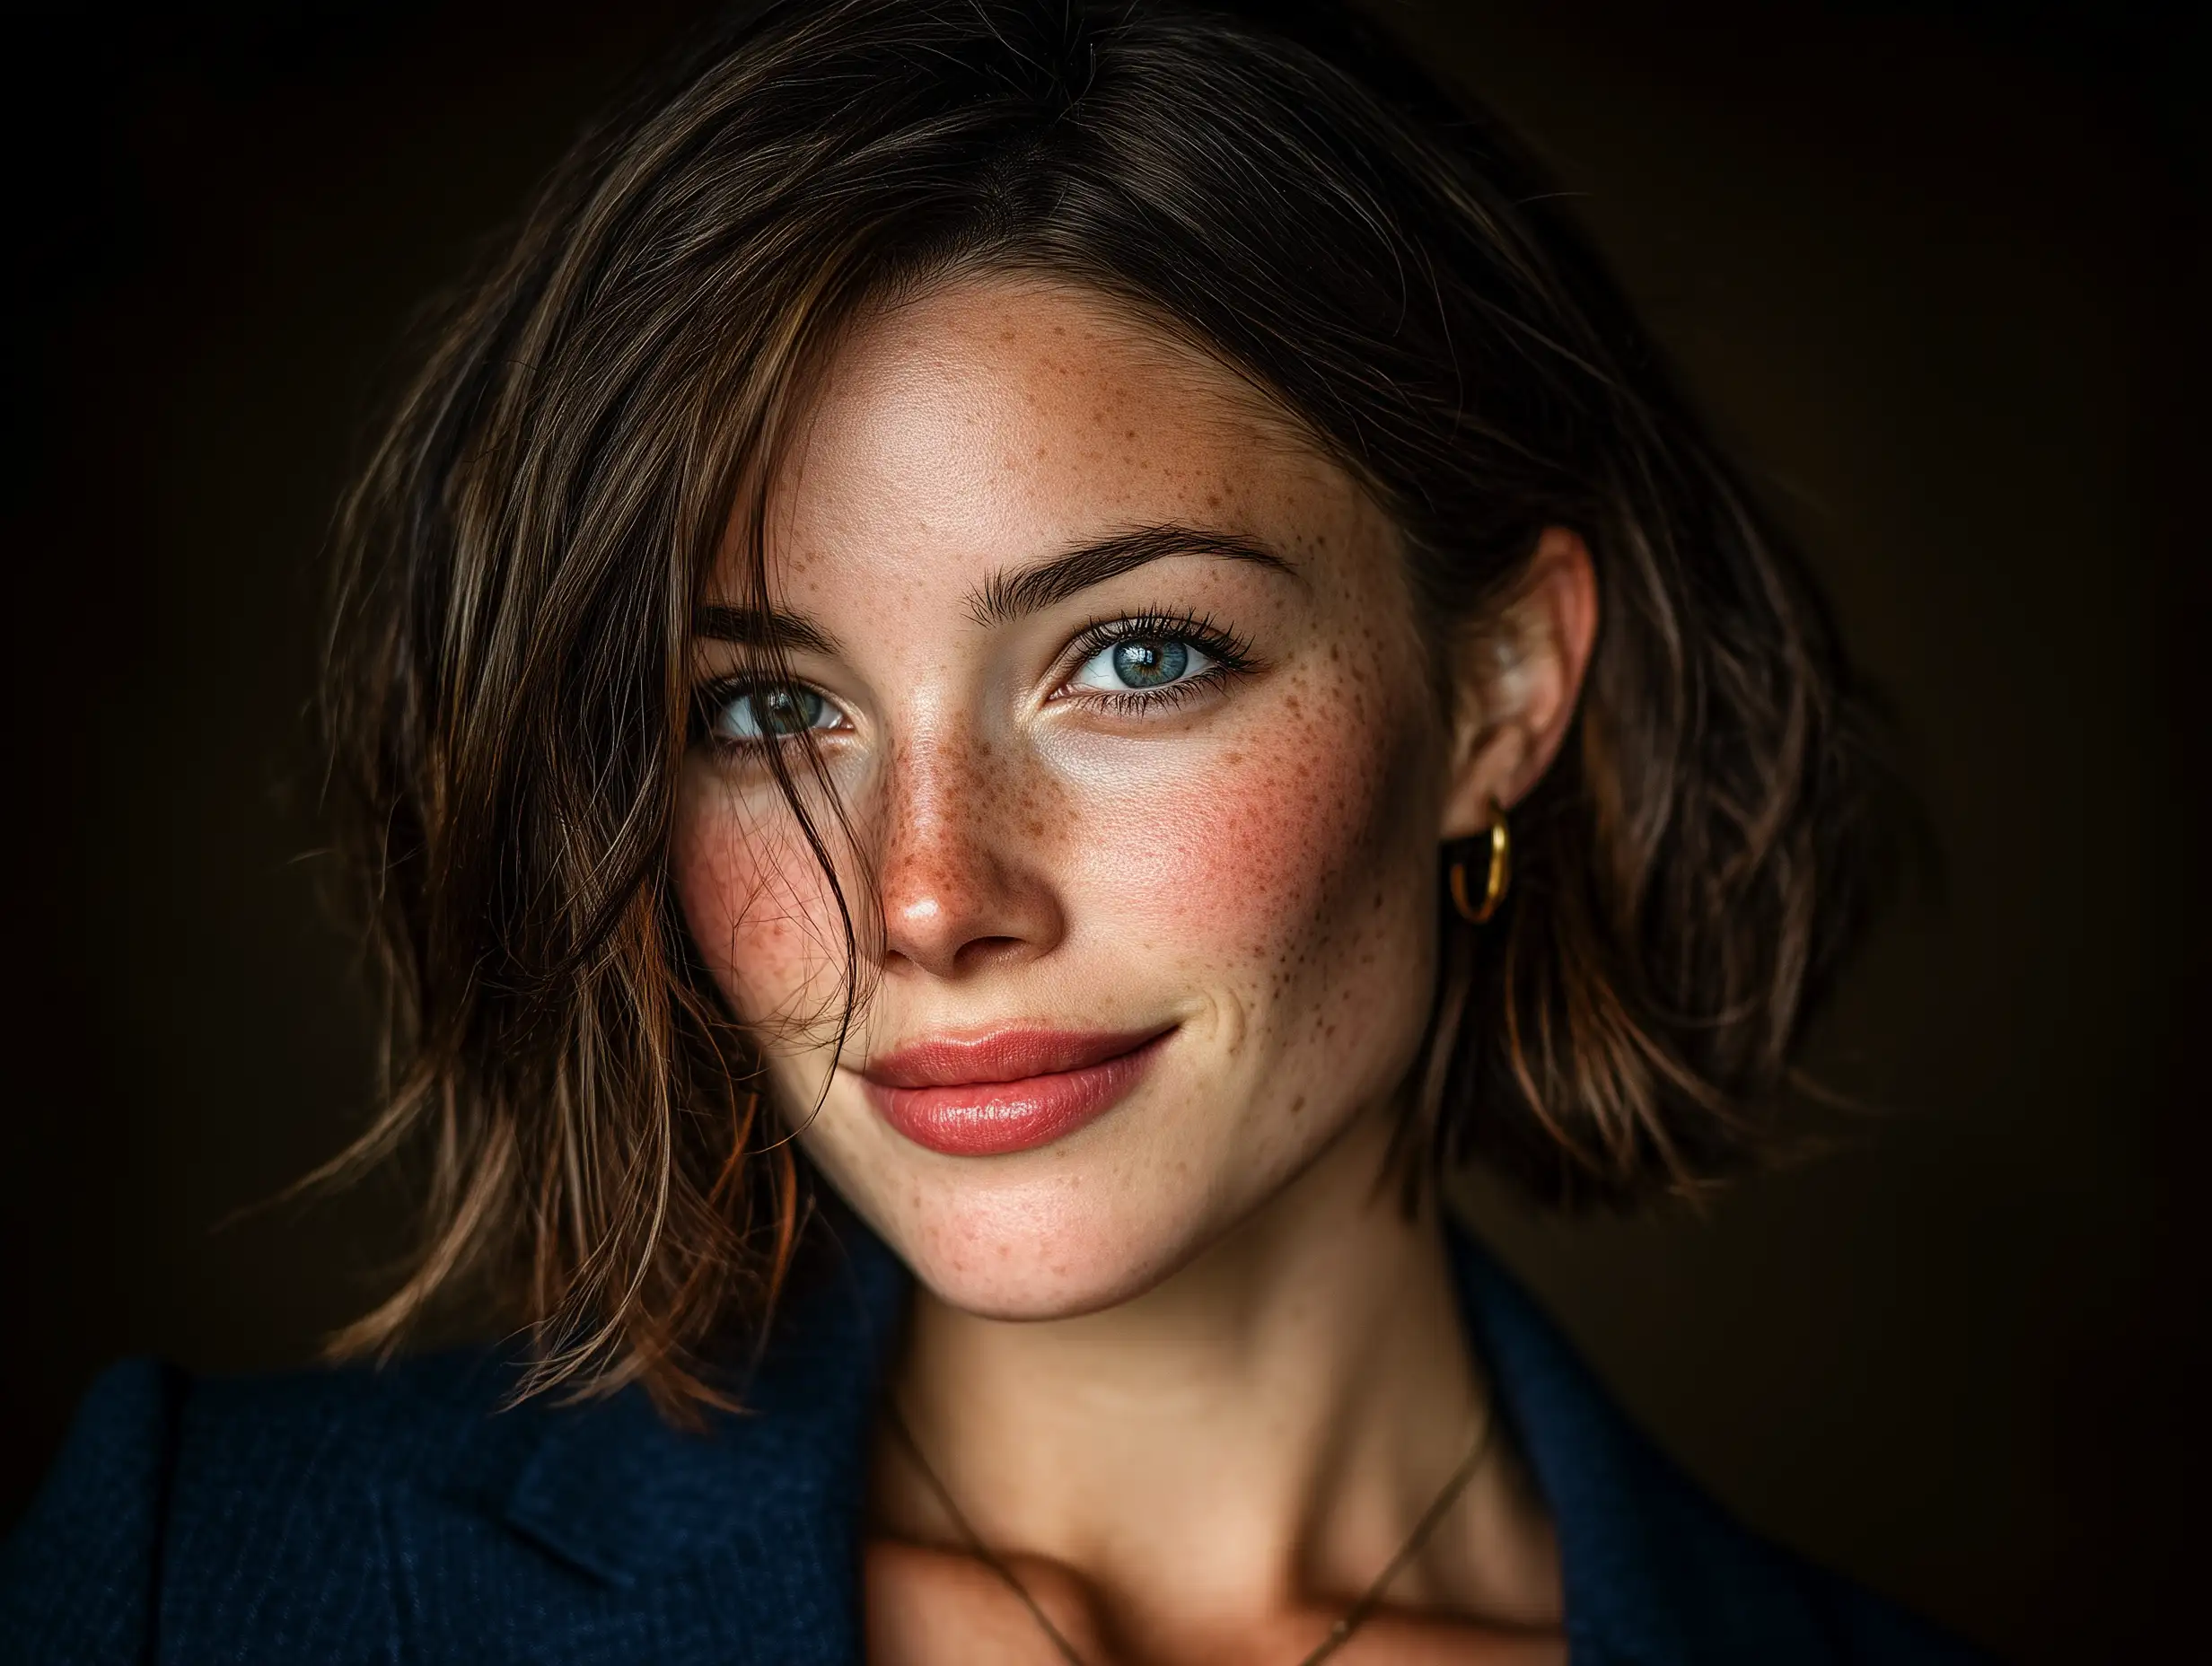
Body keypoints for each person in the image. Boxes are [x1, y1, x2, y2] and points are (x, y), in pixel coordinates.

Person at [0, 1, 1986, 1661]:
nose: (931, 895)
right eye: (766, 710)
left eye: (1134, 659)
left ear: (1502, 690)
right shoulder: (218, 1589)